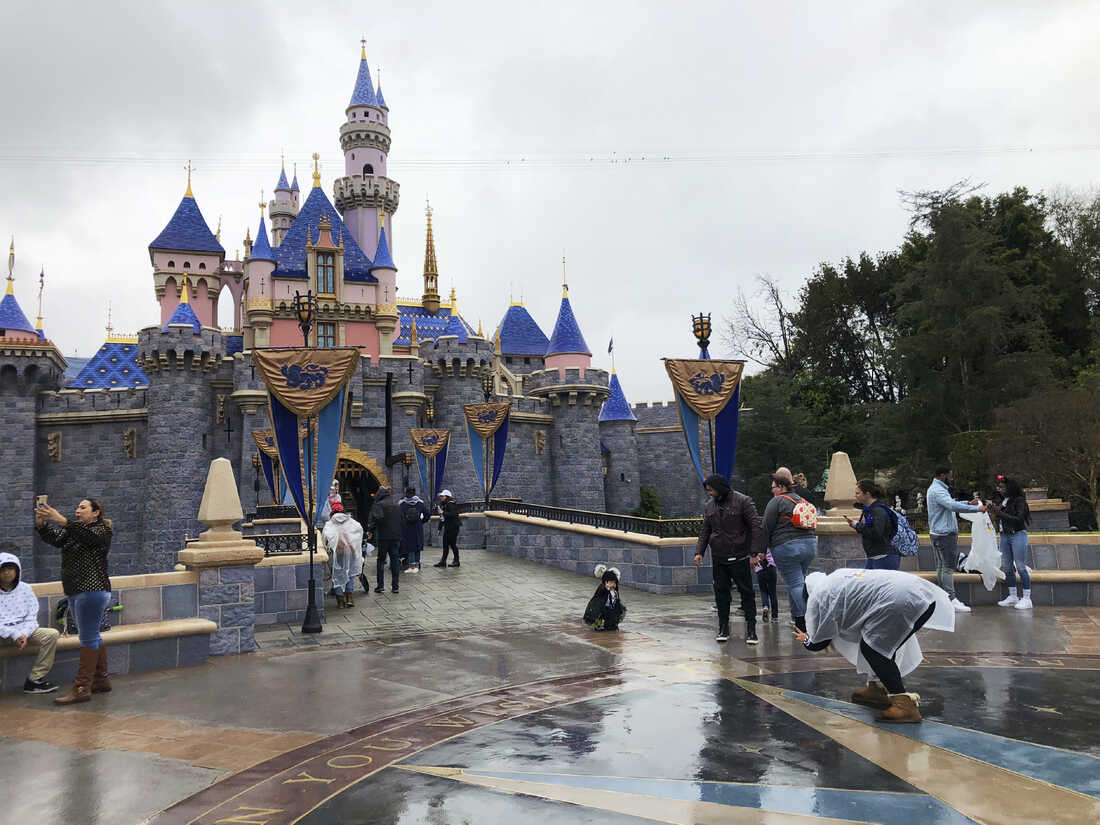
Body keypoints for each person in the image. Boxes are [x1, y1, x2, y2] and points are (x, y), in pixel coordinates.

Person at [794, 569, 954, 723]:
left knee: (874, 650)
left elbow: (819, 640)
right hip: (917, 594)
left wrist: (806, 639)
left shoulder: (820, 596)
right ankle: (877, 688)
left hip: (903, 600)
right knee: (874, 642)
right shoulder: (836, 578)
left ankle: (903, 705)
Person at [35, 497, 113, 704]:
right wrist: (43, 526)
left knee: (87, 638)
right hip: (76, 591)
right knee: (93, 635)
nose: (77, 510)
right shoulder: (74, 530)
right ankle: (101, 680)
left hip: (92, 590)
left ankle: (81, 688)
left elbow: (87, 538)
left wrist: (63, 520)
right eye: (77, 507)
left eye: (83, 507)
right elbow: (57, 539)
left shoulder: (101, 531)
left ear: (96, 513)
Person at [693, 474, 764, 644]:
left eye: (711, 490)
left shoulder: (743, 501)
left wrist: (754, 553)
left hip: (739, 555)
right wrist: (699, 551)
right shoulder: (710, 506)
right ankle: (723, 628)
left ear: (719, 488)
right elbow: (705, 530)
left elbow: (755, 526)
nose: (710, 493)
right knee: (721, 594)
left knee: (746, 593)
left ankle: (751, 630)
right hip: (719, 555)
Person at [763, 468, 817, 632]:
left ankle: (811, 621)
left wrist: (759, 550)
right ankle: (797, 619)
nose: (772, 490)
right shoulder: (801, 499)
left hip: (787, 546)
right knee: (797, 582)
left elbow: (766, 527)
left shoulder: (777, 501)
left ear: (780, 486)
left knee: (795, 584)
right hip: (809, 545)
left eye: (773, 487)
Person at [926, 466, 985, 613]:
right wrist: (977, 509)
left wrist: (967, 503)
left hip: (938, 533)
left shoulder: (936, 489)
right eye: (950, 476)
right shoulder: (938, 490)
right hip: (945, 534)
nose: (951, 479)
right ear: (942, 475)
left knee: (941, 567)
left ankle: (943, 598)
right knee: (947, 568)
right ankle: (951, 599)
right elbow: (951, 505)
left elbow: (949, 503)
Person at [0, 552, 60, 694]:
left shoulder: (25, 589)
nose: (6, 573)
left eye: (10, 568)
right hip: (3, 634)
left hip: (24, 632)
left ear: (17, 570)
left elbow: (32, 616)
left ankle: (34, 680)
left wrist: (24, 634)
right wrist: (14, 634)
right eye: (2, 569)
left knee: (51, 635)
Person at [990, 476, 1032, 610]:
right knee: (1007, 567)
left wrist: (999, 513)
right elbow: (1001, 516)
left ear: (1010, 488)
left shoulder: (1019, 501)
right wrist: (993, 510)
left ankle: (1026, 598)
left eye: (1002, 487)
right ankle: (1013, 596)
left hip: (1017, 535)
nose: (1000, 489)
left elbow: (1019, 519)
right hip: (1005, 536)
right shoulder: (1004, 501)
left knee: (1020, 566)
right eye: (999, 487)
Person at [845, 480, 900, 570]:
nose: (855, 496)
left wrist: (858, 525)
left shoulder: (878, 511)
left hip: (884, 556)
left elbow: (876, 533)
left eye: (858, 493)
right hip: (875, 556)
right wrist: (857, 525)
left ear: (867, 494)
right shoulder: (870, 510)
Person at [323, 502, 364, 608]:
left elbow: (325, 538)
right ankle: (349, 597)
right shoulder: (351, 522)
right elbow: (359, 531)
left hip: (336, 553)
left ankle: (340, 600)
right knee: (350, 573)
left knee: (336, 574)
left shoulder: (329, 524)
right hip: (349, 551)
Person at [368, 487, 404, 594]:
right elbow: (402, 520)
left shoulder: (379, 505)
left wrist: (370, 530)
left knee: (381, 560)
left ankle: (380, 585)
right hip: (395, 537)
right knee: (395, 561)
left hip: (384, 537)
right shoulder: (397, 505)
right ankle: (395, 586)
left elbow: (376, 519)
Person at [583, 565, 626, 631]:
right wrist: (606, 589)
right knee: (600, 616)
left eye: (614, 582)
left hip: (611, 608)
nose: (613, 584)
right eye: (611, 582)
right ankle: (598, 626)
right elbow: (597, 598)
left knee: (613, 617)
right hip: (601, 608)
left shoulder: (614, 590)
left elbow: (616, 598)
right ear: (605, 582)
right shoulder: (602, 588)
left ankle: (612, 625)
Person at [398, 487, 430, 573]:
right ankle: (417, 566)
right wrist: (421, 522)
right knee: (417, 547)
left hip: (407, 528)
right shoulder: (420, 503)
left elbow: (399, 517)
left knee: (410, 547)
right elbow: (427, 515)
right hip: (418, 527)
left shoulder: (402, 504)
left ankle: (411, 567)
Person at [434, 490, 462, 568]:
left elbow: (453, 514)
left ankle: (456, 561)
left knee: (453, 544)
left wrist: (442, 512)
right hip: (448, 527)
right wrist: (439, 528)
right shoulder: (445, 504)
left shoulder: (451, 504)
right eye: (441, 496)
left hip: (453, 527)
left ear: (447, 497)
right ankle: (443, 561)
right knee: (445, 545)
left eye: (442, 496)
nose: (441, 498)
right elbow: (442, 518)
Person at [753, 549, 779, 622]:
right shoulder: (769, 542)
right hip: (771, 567)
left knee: (763, 591)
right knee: (773, 592)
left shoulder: (756, 544)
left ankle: (765, 606)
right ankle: (774, 617)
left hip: (759, 569)